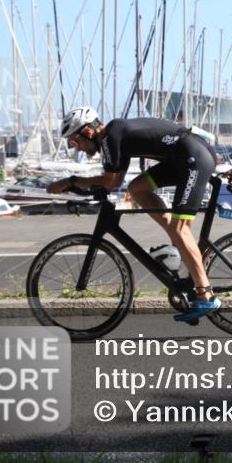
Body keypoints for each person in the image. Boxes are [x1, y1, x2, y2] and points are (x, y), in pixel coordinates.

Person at [47, 107, 220, 322]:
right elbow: (116, 181)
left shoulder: (112, 136)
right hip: (184, 157)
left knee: (180, 228)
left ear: (87, 132)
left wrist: (71, 181)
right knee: (137, 189)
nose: (78, 148)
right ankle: (178, 246)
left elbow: (110, 182)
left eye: (75, 142)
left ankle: (206, 295)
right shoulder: (115, 137)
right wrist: (77, 184)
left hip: (193, 158)